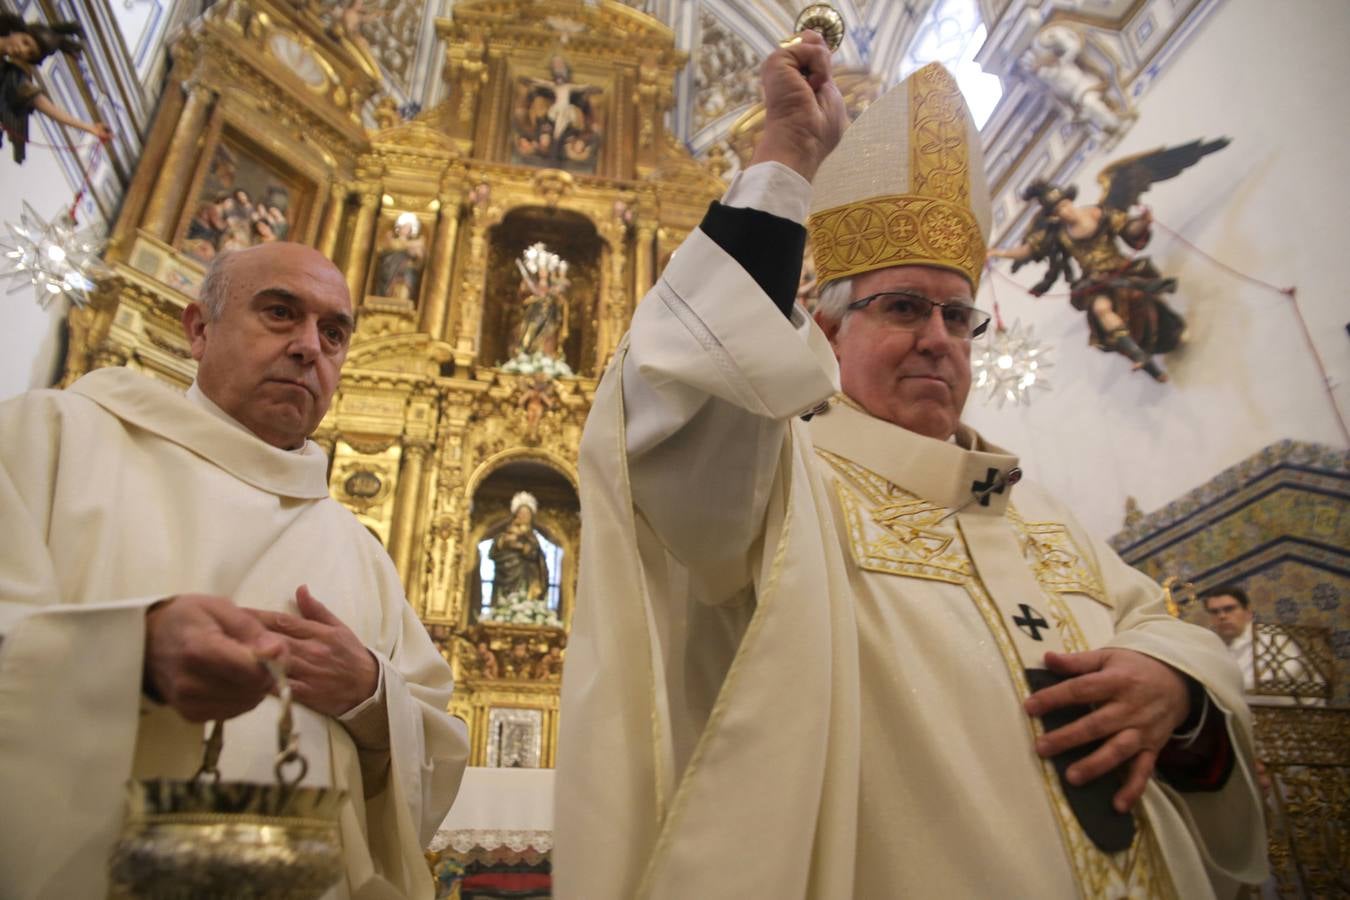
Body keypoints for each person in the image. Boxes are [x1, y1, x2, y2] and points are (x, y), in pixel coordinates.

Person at [555, 33, 1266, 899]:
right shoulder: (777, 484)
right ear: (822, 329)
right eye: (901, 308)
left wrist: (1176, 689)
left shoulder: (1039, 512)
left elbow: (1164, 627)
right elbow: (686, 390)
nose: (938, 338)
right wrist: (785, 159)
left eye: (960, 316)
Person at [0, 242, 469, 899]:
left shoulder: (358, 548)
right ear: (198, 329)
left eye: (333, 334)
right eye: (280, 313)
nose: (310, 347)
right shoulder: (52, 438)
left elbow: (434, 748)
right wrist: (129, 654)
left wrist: (369, 694)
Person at [0, 14, 113, 164]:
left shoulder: (11, 76)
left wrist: (90, 127)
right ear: (17, 31)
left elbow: (42, 103)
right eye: (25, 42)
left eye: (30, 54)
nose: (22, 50)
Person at [1201, 585, 1327, 704]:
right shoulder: (1209, 647)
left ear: (1248, 612)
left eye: (1229, 609)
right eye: (1214, 612)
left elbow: (1279, 685)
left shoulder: (1272, 638)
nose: (1222, 616)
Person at [487, 492, 549, 609]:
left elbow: (537, 555)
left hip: (528, 573)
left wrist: (526, 548)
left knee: (526, 593)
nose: (524, 516)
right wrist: (510, 543)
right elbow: (496, 549)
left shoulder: (532, 536)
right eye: (522, 513)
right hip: (507, 569)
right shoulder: (507, 531)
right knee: (507, 596)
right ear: (516, 515)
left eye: (527, 514)